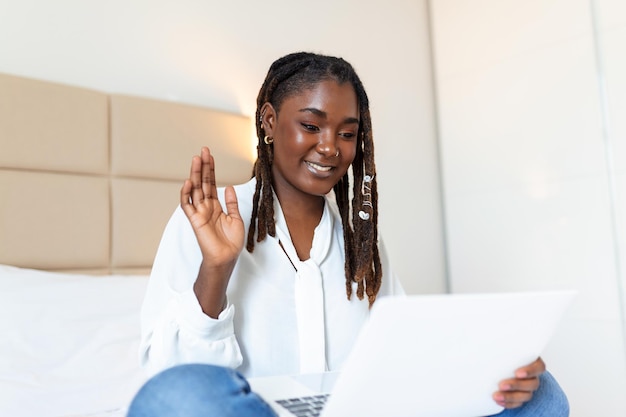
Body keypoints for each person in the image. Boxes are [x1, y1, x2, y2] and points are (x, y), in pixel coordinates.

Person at [127, 52, 569, 417]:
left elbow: (405, 358)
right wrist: (217, 270)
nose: (330, 148)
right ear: (268, 120)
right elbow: (171, 376)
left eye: (347, 133)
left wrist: (495, 366)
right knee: (174, 399)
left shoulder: (364, 245)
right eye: (311, 125)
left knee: (540, 392)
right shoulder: (210, 221)